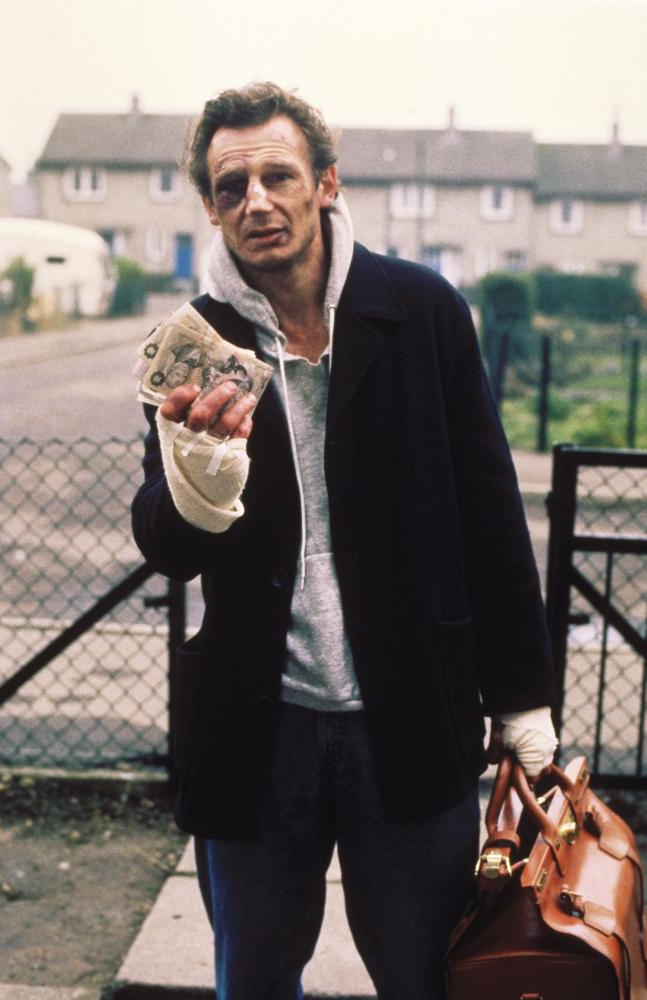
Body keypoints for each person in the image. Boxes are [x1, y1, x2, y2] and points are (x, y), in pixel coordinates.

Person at [131, 83, 558, 1000]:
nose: (256, 200)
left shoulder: (421, 310)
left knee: (424, 977)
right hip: (257, 726)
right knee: (251, 981)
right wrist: (197, 491)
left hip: (408, 715)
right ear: (210, 204)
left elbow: (489, 512)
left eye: (278, 176)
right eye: (231, 185)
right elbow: (163, 543)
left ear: (325, 183)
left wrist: (521, 697)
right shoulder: (194, 342)